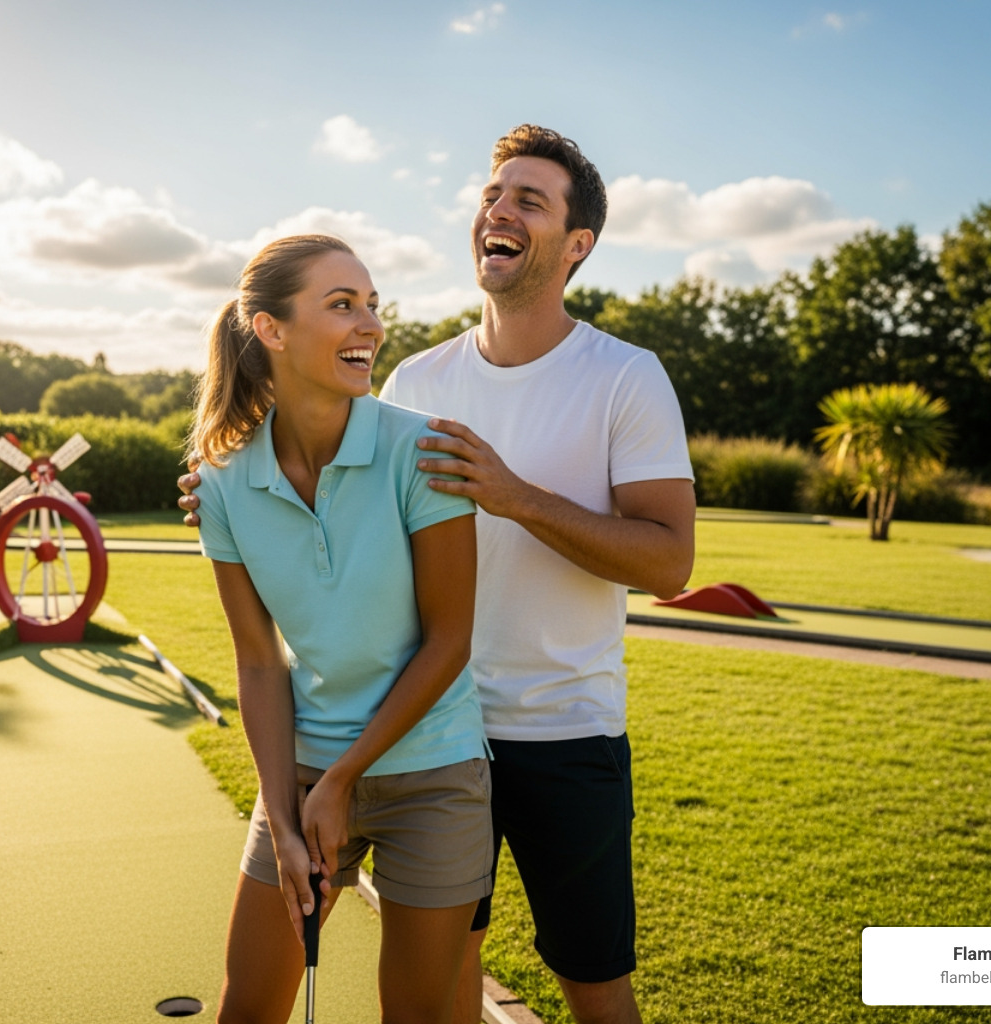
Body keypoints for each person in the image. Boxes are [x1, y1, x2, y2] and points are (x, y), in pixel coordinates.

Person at [181, 127, 696, 1024]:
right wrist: (227, 482)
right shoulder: (414, 379)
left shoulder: (626, 377)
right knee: (453, 983)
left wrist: (515, 496)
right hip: (422, 728)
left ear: (578, 245)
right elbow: (323, 450)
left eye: (528, 201)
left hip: (559, 730)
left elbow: (671, 563)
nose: (497, 211)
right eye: (494, 194)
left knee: (593, 981)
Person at [189, 233, 493, 1024]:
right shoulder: (222, 481)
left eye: (372, 305)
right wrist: (285, 818)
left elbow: (448, 641)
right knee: (247, 1007)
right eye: (342, 305)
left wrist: (344, 778)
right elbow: (259, 664)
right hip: (302, 773)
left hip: (433, 770)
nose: (369, 325)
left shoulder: (423, 449)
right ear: (272, 330)